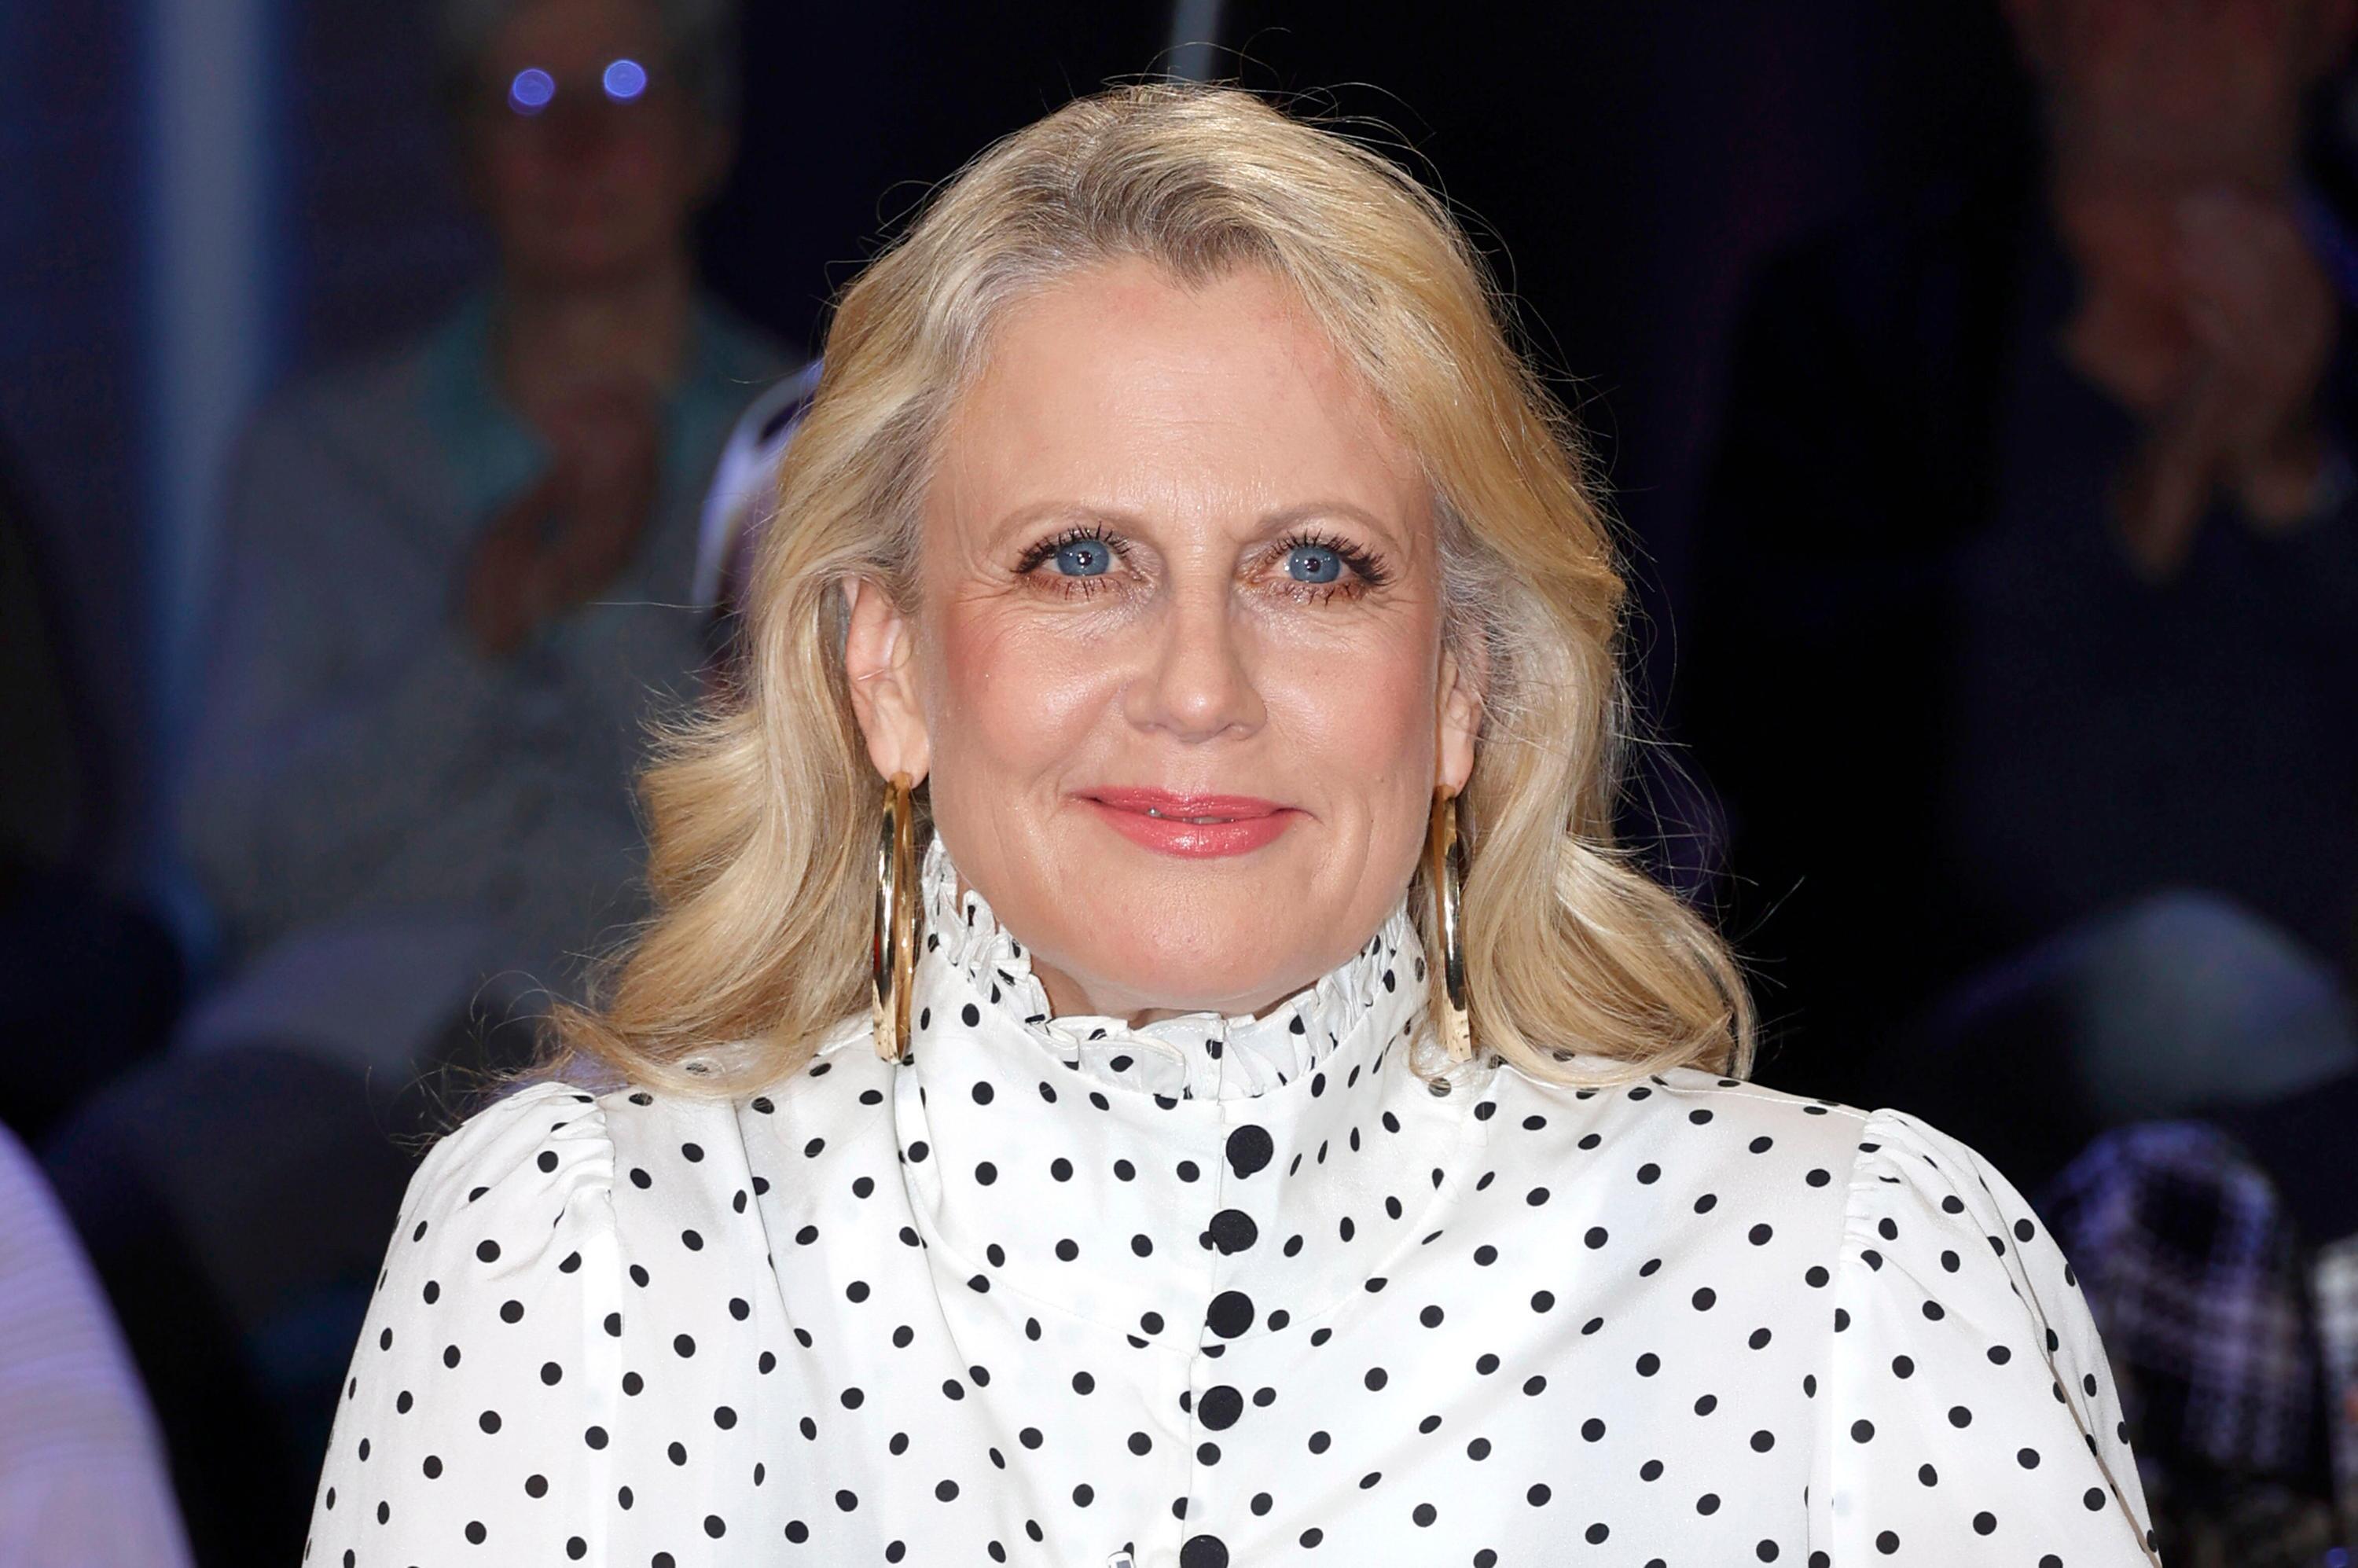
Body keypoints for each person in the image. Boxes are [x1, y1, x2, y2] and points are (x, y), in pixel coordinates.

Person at [303, 83, 2159, 1565]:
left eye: (1316, 566)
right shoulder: (575, 1259)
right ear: (887, 666)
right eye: (1079, 559)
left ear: (1459, 684)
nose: (1199, 684)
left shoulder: (1848, 1283)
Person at [1683, 0, 2358, 1133]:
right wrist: (2143, 502)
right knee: (2190, 982)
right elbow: (1766, 728)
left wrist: (2299, 482)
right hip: (1933, 1086)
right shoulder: (1867, 315)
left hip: (2319, 1056)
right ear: (2036, 22)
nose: (2182, 24)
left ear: (2327, 25)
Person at [174, 0, 792, 1083]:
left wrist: (604, 596)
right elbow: (231, 858)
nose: (578, 144)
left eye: (627, 90)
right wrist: (474, 640)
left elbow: (806, 845)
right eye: (528, 96)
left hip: (664, 1052)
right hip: (328, 1050)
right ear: (466, 154)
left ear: (706, 138)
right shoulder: (315, 458)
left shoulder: (809, 452)